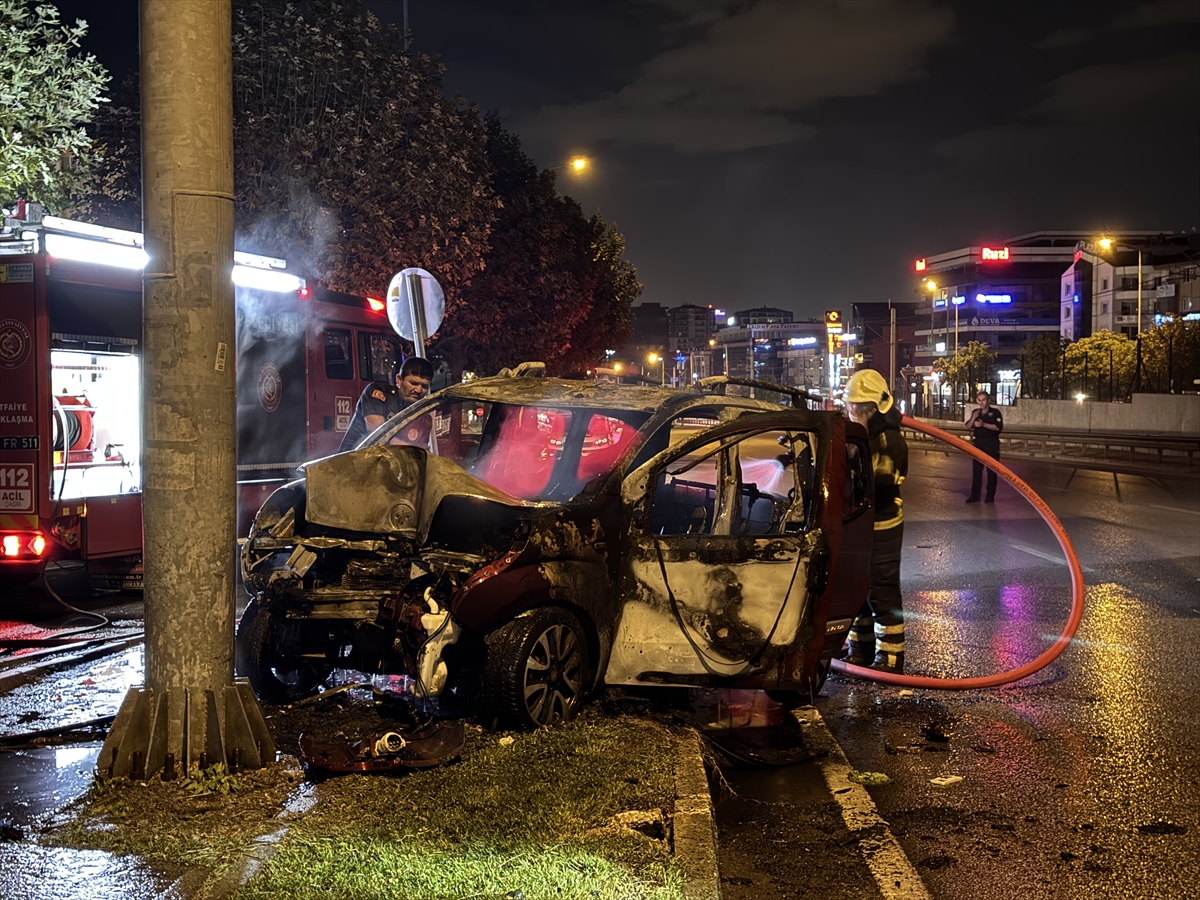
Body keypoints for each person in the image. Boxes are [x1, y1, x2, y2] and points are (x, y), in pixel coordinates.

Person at [843, 369, 909, 673]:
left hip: (882, 523)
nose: (853, 413)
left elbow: (880, 484)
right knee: (857, 589)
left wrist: (851, 459)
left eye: (860, 409)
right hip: (859, 524)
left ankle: (891, 656)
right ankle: (861, 648)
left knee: (881, 589)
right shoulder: (859, 437)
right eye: (852, 407)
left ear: (876, 409)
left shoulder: (890, 441)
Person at [337, 356, 434, 452]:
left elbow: (423, 449)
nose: (418, 390)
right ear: (399, 380)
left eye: (424, 386)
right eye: (413, 383)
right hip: (353, 461)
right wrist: (414, 450)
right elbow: (377, 434)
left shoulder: (423, 417)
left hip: (391, 464)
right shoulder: (378, 393)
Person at [965, 390, 1003, 503]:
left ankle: (990, 495)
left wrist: (983, 424)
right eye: (979, 400)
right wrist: (973, 418)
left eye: (984, 400)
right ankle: (975, 494)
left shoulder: (995, 413)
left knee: (991, 472)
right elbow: (967, 427)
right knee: (977, 472)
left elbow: (998, 427)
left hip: (991, 444)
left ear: (988, 400)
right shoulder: (976, 412)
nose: (981, 403)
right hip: (978, 445)